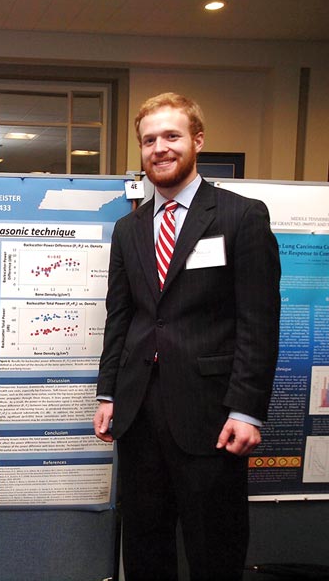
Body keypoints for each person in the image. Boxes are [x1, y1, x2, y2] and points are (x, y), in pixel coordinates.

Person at [92, 92, 280, 580]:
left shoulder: (241, 217)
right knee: (146, 547)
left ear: (197, 140)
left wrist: (246, 409)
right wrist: (108, 391)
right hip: (138, 416)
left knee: (213, 549)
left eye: (171, 136)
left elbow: (258, 322)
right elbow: (122, 315)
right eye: (149, 140)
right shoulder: (128, 229)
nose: (160, 148)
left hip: (212, 416)